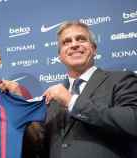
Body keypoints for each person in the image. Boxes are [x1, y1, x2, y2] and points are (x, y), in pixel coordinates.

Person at [42, 21, 137, 158]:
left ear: (94, 49)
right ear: (60, 56)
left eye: (81, 39)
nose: (74, 45)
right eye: (66, 42)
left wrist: (72, 101)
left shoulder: (121, 80)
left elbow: (133, 121)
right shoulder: (52, 97)